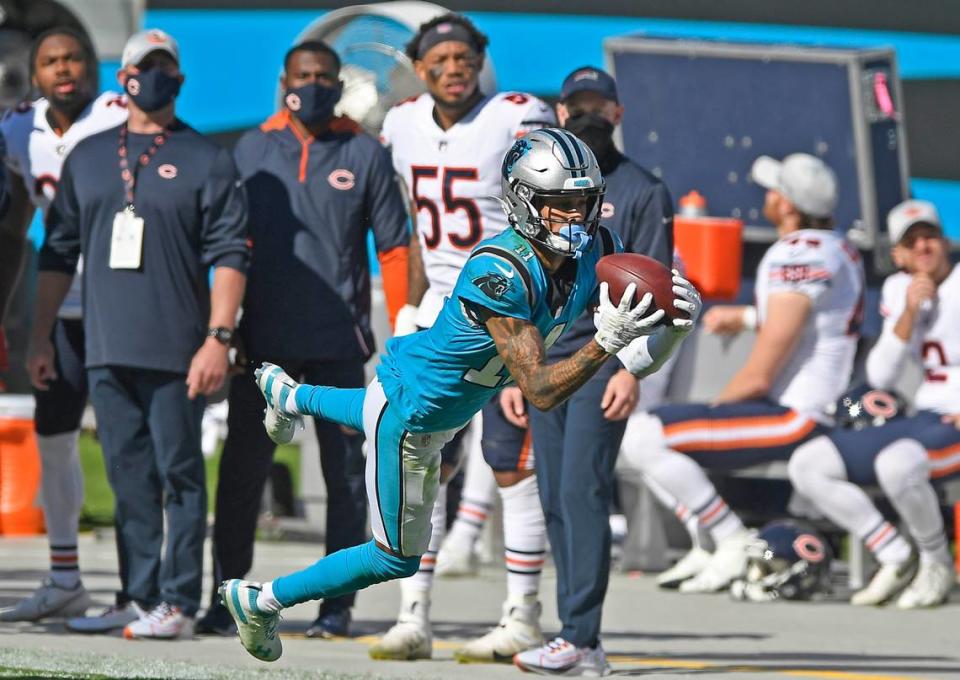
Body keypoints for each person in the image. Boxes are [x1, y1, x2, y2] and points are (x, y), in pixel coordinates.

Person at [219, 128, 702, 675]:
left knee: (369, 406)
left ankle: (289, 394)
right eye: (560, 205)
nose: (576, 218)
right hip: (412, 415)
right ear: (523, 203)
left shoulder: (596, 249)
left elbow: (638, 362)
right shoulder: (500, 271)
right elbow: (541, 390)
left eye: (584, 203)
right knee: (393, 557)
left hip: (436, 396)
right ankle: (260, 600)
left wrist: (672, 332)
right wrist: (604, 342)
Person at [29, 29, 249, 639]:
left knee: (179, 474)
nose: (155, 77)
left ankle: (176, 600)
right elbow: (57, 252)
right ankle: (137, 592)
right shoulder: (92, 156)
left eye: (165, 68)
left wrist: (218, 337)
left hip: (179, 347)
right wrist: (40, 336)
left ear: (178, 77)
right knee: (128, 477)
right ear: (123, 76)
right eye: (143, 67)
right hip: (106, 344)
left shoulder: (207, 158)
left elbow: (231, 253)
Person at [195, 39, 410, 638]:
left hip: (339, 345)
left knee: (344, 479)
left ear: (341, 84)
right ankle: (225, 598)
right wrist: (227, 326)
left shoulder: (366, 153)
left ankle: (335, 608)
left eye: (324, 76)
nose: (312, 84)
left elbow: (394, 248)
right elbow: (227, 246)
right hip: (262, 346)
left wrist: (403, 331)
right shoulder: (251, 149)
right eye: (302, 75)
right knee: (242, 473)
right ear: (283, 80)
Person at [376, 13, 557, 661]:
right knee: (420, 462)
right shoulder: (401, 123)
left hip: (509, 310)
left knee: (510, 463)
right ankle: (414, 615)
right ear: (419, 68)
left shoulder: (514, 116)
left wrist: (534, 323)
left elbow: (548, 218)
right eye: (440, 58)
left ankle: (523, 614)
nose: (454, 67)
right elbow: (416, 226)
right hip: (441, 316)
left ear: (481, 59)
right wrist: (409, 308)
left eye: (464, 56)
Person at [620, 152, 865, 594]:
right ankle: (707, 539)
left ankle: (730, 538)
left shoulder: (798, 254)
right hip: (813, 403)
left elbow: (762, 370)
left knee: (643, 434)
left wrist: (717, 411)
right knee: (653, 432)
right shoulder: (836, 247)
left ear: (788, 205)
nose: (766, 198)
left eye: (774, 191)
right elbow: (814, 322)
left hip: (796, 414)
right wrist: (749, 317)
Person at [498, 66, 674, 674]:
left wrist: (631, 370)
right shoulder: (546, 184)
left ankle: (582, 637)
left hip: (604, 360)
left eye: (601, 104)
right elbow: (526, 283)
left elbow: (656, 285)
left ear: (619, 112)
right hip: (547, 359)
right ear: (561, 113)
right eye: (579, 105)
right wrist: (514, 370)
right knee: (552, 496)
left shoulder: (644, 189)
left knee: (582, 491)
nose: (589, 114)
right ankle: (574, 636)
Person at [0, 26, 127, 623]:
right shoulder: (18, 129)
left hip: (122, 302)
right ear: (35, 72)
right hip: (62, 306)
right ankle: (64, 575)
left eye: (74, 56)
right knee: (53, 440)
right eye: (51, 61)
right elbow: (18, 215)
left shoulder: (117, 115)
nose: (64, 68)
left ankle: (141, 584)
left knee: (133, 448)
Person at [789, 199, 958, 608]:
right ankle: (894, 554)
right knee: (809, 464)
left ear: (945, 242)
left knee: (896, 463)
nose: (923, 248)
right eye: (911, 242)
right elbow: (880, 377)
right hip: (926, 414)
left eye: (929, 237)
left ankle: (936, 562)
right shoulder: (902, 290)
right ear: (898, 255)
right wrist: (909, 314)